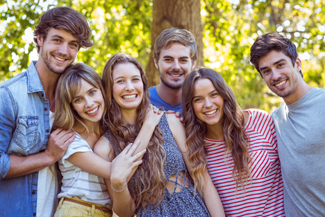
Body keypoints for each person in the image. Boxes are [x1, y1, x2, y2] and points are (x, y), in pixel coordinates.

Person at [95, 53, 224, 217]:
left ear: (142, 83)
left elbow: (202, 178)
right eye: (120, 81)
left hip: (193, 210)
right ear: (108, 88)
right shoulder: (104, 146)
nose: (129, 87)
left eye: (135, 79)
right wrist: (118, 183)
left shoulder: (170, 121)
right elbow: (125, 213)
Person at [0, 7, 92, 217]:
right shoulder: (8, 95)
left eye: (73, 45)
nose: (64, 51)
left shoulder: (75, 99)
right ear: (40, 39)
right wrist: (48, 156)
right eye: (57, 40)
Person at [182, 67, 285, 216]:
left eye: (214, 94)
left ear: (224, 95)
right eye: (198, 99)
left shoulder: (260, 122)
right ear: (190, 106)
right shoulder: (194, 147)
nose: (208, 104)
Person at [51, 63, 146, 217]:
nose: (89, 104)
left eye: (92, 92)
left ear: (102, 91)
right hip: (76, 210)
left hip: (105, 213)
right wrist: (149, 125)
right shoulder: (70, 139)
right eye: (78, 99)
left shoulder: (110, 132)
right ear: (71, 106)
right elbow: (116, 172)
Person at [250, 32, 325, 216]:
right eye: (266, 71)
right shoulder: (274, 120)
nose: (275, 75)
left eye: (280, 65)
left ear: (297, 64)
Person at [149, 28, 197, 114]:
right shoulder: (141, 102)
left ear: (193, 63)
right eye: (168, 59)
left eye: (183, 60)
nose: (176, 67)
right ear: (156, 62)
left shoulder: (202, 104)